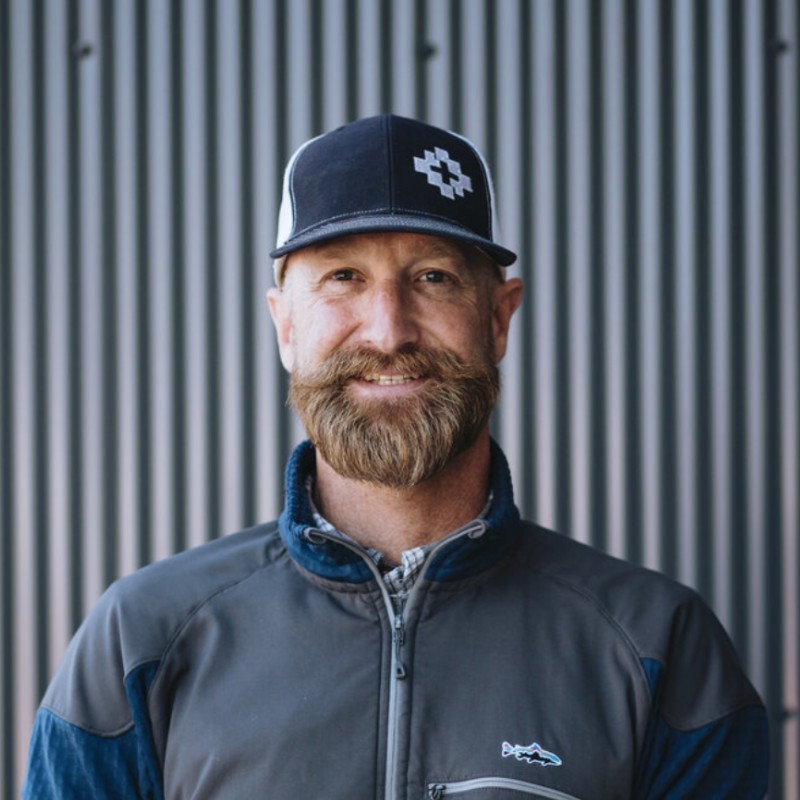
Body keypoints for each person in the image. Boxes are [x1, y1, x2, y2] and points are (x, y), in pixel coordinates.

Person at [23, 115, 767, 799]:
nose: (387, 331)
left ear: (499, 318)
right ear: (285, 326)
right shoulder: (144, 641)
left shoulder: (655, 644)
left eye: (433, 278)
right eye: (343, 277)